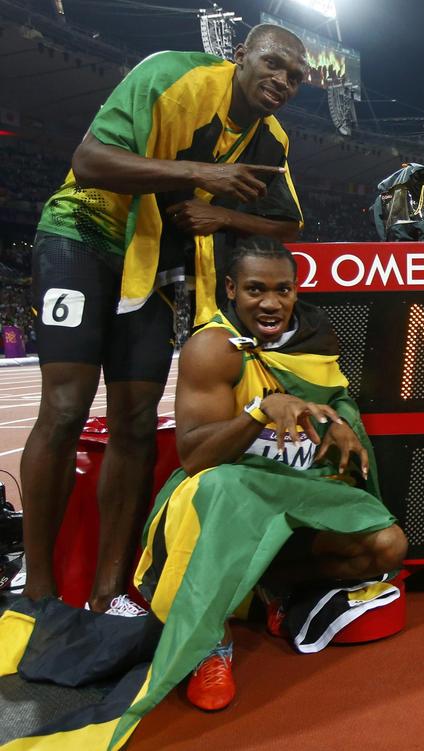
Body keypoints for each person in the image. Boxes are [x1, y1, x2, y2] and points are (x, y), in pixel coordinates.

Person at [0, 238, 406, 746]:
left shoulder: (318, 336)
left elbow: (335, 395)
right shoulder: (212, 348)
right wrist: (259, 411)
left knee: (387, 546)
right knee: (223, 487)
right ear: (231, 290)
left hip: (295, 490)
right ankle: (210, 641)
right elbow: (194, 457)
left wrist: (342, 421)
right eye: (256, 289)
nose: (271, 303)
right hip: (220, 496)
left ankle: (269, 590)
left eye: (283, 289)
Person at [21, 24, 307, 615]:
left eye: (296, 77)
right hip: (83, 232)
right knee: (67, 408)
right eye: (274, 64)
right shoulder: (173, 76)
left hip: (151, 265)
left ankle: (108, 594)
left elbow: (287, 224)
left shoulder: (270, 138)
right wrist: (200, 175)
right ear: (240, 57)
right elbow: (89, 159)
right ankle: (38, 591)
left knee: (135, 423)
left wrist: (218, 215)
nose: (282, 80)